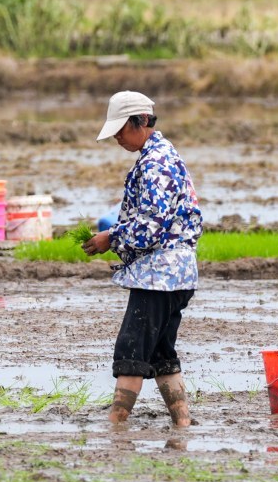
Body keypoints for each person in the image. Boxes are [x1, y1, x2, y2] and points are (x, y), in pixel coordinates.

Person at [82, 90, 202, 427]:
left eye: (121, 129)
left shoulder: (155, 164)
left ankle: (116, 426)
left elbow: (151, 226)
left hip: (159, 276)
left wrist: (111, 237)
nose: (118, 137)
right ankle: (182, 424)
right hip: (178, 275)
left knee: (131, 351)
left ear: (143, 121)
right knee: (162, 353)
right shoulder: (163, 155)